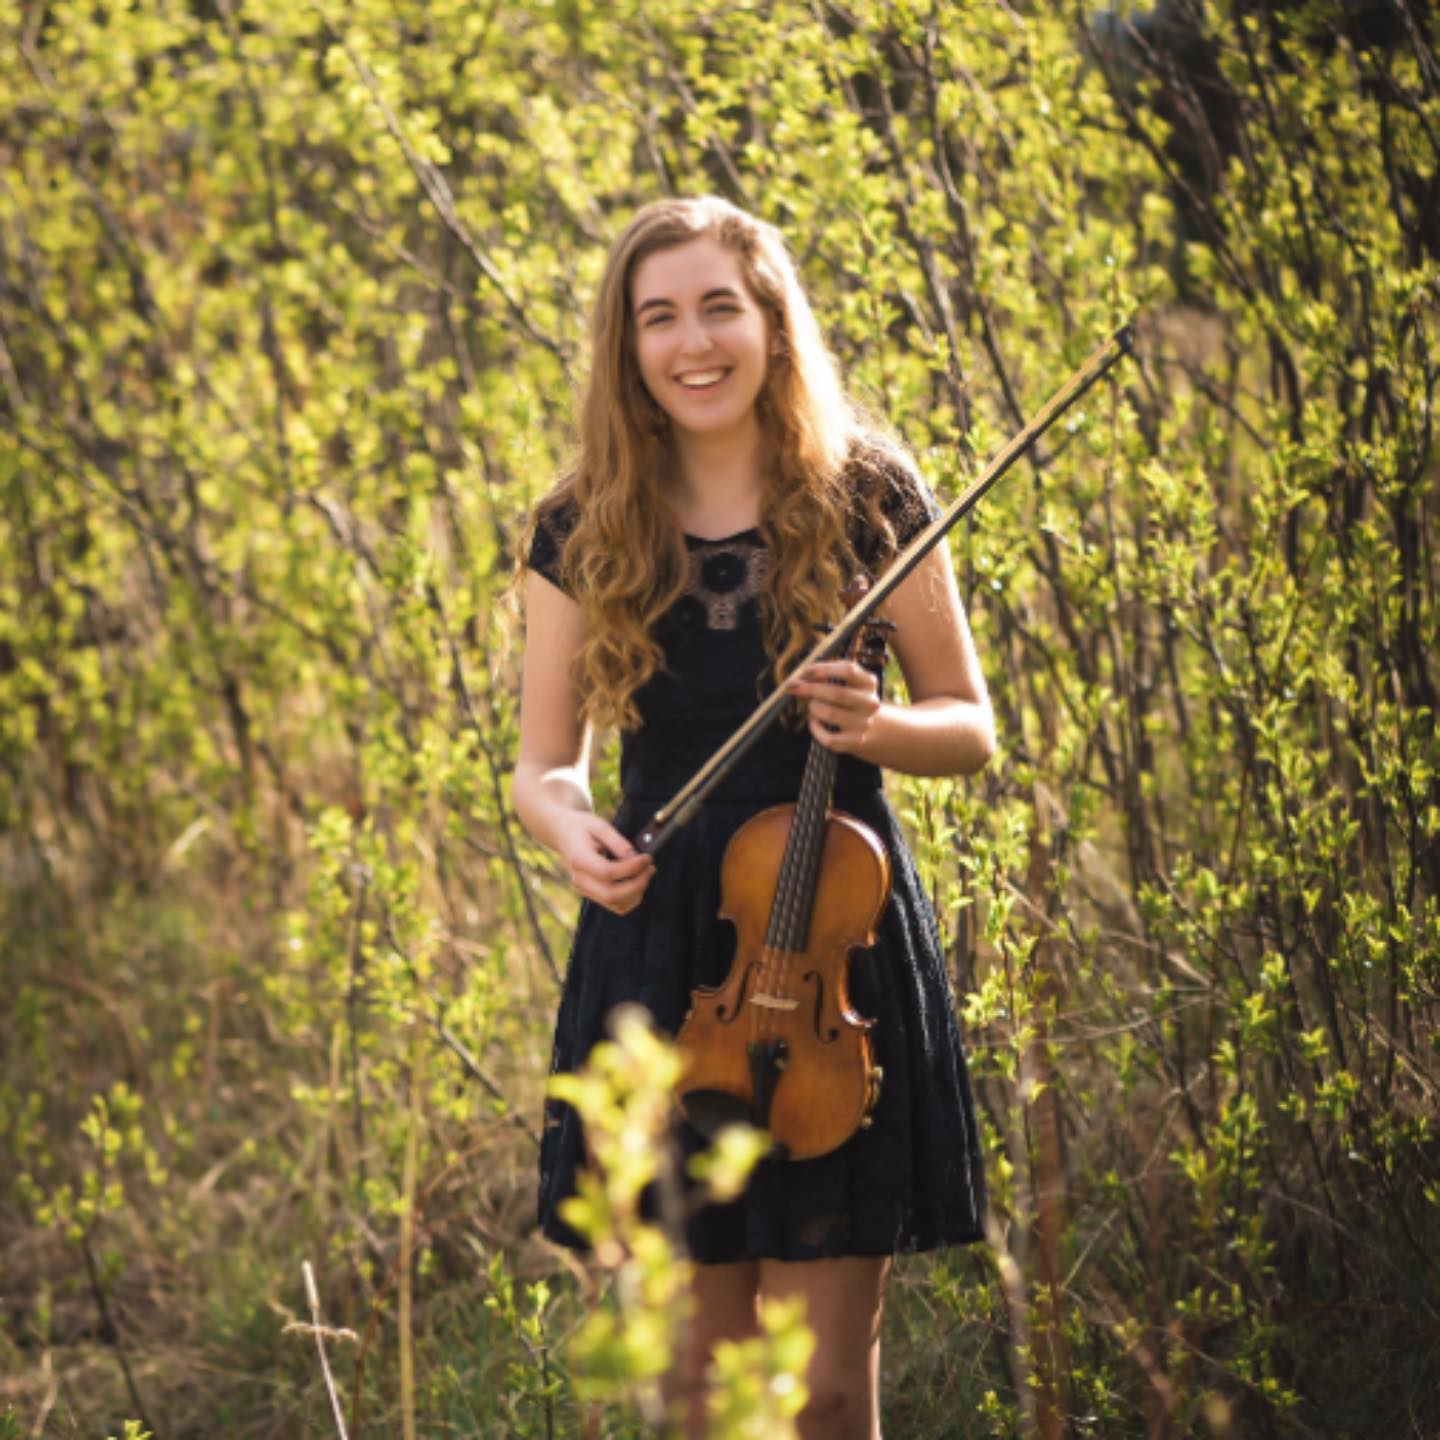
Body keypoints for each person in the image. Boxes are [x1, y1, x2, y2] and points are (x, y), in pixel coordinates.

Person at [511, 194, 995, 1440]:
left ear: (772, 322)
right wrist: (574, 834)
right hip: (667, 957)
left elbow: (970, 726)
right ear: (627, 349)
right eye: (657, 317)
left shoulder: (871, 494)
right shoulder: (581, 526)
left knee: (828, 1393)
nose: (693, 343)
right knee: (699, 1395)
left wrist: (872, 728)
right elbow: (543, 770)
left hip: (840, 961)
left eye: (720, 307)